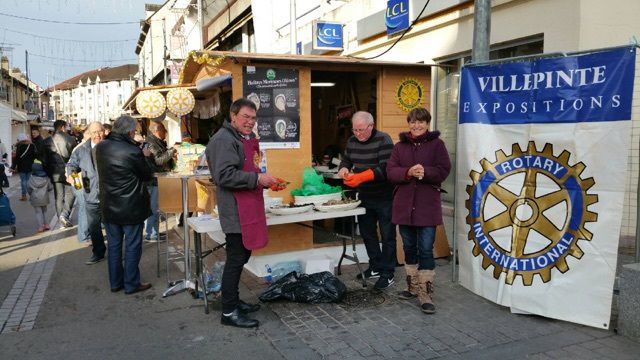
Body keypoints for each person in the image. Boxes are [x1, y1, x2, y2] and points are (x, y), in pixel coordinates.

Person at [206, 98, 278, 328]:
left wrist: (264, 180)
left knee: (243, 256)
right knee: (236, 259)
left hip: (248, 205)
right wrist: (257, 178)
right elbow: (224, 176)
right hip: (236, 209)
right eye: (245, 117)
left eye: (253, 118)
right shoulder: (223, 140)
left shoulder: (240, 138)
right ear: (233, 116)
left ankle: (234, 301)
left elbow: (247, 168)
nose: (250, 122)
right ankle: (228, 312)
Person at [386, 107, 451, 314]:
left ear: (427, 123)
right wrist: (408, 172)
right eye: (413, 122)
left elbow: (444, 169)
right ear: (409, 123)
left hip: (426, 207)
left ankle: (426, 294)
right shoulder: (399, 147)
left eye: (421, 122)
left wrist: (426, 172)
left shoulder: (437, 144)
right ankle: (412, 287)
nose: (417, 125)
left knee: (425, 249)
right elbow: (390, 171)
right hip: (404, 207)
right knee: (408, 247)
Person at [338, 111, 396, 290]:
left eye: (361, 130)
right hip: (363, 197)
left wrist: (362, 177)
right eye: (355, 130)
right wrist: (343, 169)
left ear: (371, 126)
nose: (358, 133)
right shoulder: (351, 141)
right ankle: (376, 266)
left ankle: (388, 272)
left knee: (387, 236)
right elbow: (346, 160)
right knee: (367, 233)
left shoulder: (384, 140)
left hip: (384, 196)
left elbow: (387, 169)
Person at [96, 115, 154, 294]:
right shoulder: (132, 151)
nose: (135, 133)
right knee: (132, 246)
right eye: (134, 130)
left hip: (109, 203)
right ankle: (131, 284)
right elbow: (147, 176)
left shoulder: (101, 147)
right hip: (130, 205)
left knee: (114, 246)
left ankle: (116, 283)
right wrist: (145, 156)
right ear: (129, 131)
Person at [67, 122, 107, 265]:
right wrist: (71, 174)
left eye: (100, 131)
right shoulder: (81, 149)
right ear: (89, 133)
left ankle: (116, 253)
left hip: (109, 194)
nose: (97, 135)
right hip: (90, 192)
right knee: (94, 228)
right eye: (94, 132)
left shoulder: (110, 146)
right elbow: (71, 165)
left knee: (113, 226)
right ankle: (98, 253)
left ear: (105, 132)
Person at [144, 121, 177, 242]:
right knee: (153, 208)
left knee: (155, 208)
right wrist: (172, 150)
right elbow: (158, 160)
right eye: (164, 130)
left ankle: (154, 232)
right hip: (153, 181)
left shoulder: (154, 141)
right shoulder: (151, 143)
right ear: (158, 131)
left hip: (157, 180)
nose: (166, 133)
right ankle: (151, 234)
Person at [43, 120, 77, 227]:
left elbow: (44, 160)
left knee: (58, 196)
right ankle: (64, 215)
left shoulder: (48, 140)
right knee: (70, 194)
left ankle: (60, 218)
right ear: (62, 127)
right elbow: (75, 156)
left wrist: (49, 173)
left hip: (55, 172)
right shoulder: (70, 138)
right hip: (69, 171)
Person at [68, 129, 91, 245]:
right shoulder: (81, 148)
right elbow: (72, 167)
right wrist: (78, 186)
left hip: (83, 182)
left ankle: (86, 235)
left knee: (85, 208)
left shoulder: (85, 146)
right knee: (84, 208)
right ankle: (84, 236)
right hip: (81, 182)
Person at [27, 160, 53, 233]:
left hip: (35, 198)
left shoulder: (31, 178)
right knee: (45, 211)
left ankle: (41, 227)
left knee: (38, 212)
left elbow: (28, 188)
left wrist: (30, 194)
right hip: (45, 198)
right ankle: (47, 225)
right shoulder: (46, 178)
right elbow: (50, 187)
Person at [11, 133, 36, 201]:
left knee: (23, 181)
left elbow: (17, 158)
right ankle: (31, 195)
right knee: (28, 181)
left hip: (21, 166)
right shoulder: (32, 145)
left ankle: (24, 196)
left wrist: (13, 167)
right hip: (30, 166)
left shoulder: (19, 146)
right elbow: (35, 155)